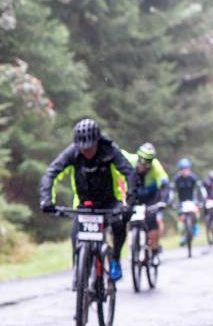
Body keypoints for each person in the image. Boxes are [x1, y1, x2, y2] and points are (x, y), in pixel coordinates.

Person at [40, 118, 135, 282]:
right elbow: (51, 173)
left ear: (97, 142)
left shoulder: (110, 150)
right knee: (75, 235)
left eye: (90, 148)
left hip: (110, 202)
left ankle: (115, 259)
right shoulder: (72, 152)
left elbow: (129, 174)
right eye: (83, 148)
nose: (86, 152)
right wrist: (47, 200)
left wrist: (129, 202)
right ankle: (79, 270)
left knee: (119, 224)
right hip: (84, 204)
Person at [130, 142, 170, 261]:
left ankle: (154, 250)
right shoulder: (131, 160)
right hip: (136, 194)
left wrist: (163, 201)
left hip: (151, 196)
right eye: (140, 162)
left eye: (146, 164)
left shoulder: (156, 166)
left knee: (152, 219)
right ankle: (133, 246)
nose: (142, 166)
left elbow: (164, 184)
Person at [171, 157, 207, 245]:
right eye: (183, 169)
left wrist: (201, 200)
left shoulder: (193, 177)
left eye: (186, 169)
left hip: (192, 200)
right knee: (182, 219)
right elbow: (171, 191)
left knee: (195, 213)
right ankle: (184, 235)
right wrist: (172, 201)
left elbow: (200, 188)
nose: (185, 171)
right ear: (180, 170)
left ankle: (195, 228)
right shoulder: (176, 179)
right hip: (181, 201)